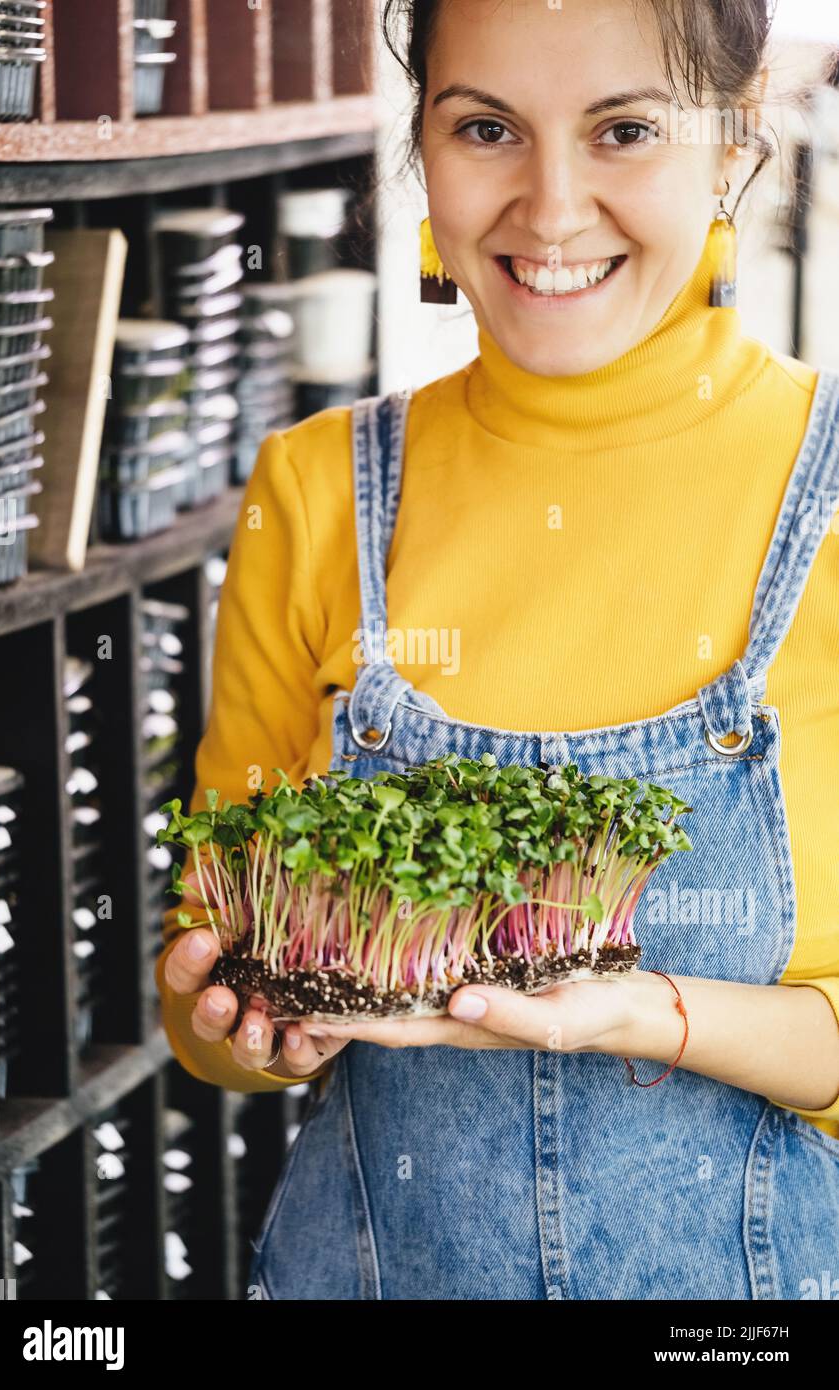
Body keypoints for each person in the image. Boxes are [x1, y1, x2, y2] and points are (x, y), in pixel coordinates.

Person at [156, 0, 839, 1299]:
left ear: (737, 141)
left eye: (623, 129)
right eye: (486, 128)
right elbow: (209, 1001)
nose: (550, 204)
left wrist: (646, 1015)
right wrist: (250, 1030)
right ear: (419, 142)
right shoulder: (310, 492)